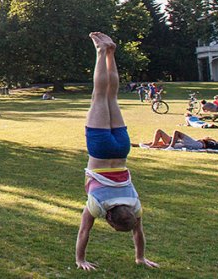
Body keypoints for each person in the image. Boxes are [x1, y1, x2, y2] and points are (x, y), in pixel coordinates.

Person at [75, 32, 158, 271]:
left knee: (112, 96)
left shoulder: (135, 205)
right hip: (100, 150)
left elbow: (138, 232)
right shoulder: (98, 205)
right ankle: (102, 52)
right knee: (99, 95)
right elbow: (83, 232)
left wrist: (141, 256)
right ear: (109, 218)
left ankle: (111, 52)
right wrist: (80, 260)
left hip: (122, 150)